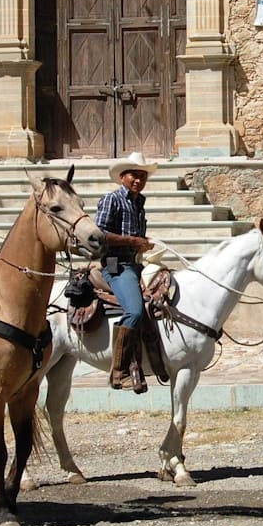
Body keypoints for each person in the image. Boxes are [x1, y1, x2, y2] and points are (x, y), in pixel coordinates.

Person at [96, 151, 158, 394]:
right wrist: (134, 241)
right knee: (134, 310)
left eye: (143, 176)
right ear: (122, 176)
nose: (138, 180)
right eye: (134, 175)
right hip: (115, 264)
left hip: (134, 263)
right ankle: (119, 370)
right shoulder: (112, 200)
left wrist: (143, 243)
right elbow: (99, 235)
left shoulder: (139, 203)